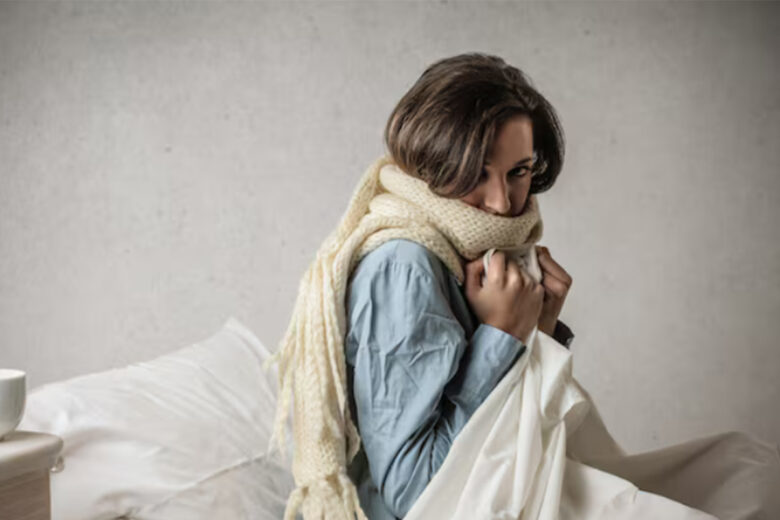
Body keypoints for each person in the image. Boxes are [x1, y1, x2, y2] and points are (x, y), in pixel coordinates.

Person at [343, 53, 573, 518]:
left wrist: (539, 330)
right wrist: (502, 336)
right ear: (429, 164)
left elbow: (521, 435)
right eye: (476, 172)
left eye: (518, 171)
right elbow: (414, 495)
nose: (501, 203)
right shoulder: (405, 267)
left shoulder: (478, 256)